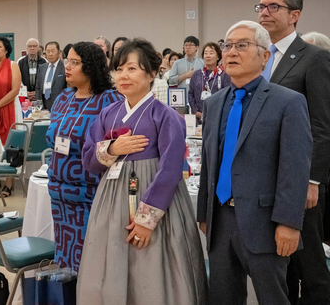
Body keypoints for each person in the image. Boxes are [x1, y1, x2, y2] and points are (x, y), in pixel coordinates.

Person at [78, 38, 207, 304]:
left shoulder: (166, 115)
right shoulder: (106, 114)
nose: (123, 76)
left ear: (151, 73)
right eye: (119, 69)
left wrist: (147, 221)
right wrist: (113, 149)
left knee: (151, 269)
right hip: (112, 201)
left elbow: (170, 170)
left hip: (155, 205)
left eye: (132, 69)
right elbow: (89, 161)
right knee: (109, 262)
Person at [197, 20, 313, 305]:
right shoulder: (214, 103)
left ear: (265, 56)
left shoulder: (288, 102)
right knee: (223, 297)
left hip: (266, 223)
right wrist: (204, 212)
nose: (231, 52)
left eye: (242, 45)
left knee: (272, 298)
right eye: (228, 45)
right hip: (220, 222)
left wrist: (289, 223)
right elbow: (210, 164)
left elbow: (295, 167)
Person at [256, 0, 330, 304]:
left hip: (301, 178)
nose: (264, 13)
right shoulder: (258, 58)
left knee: (310, 263)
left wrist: (313, 179)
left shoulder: (313, 58)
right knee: (280, 263)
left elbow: (323, 125)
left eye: (274, 7)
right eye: (260, 7)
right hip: (265, 178)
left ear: (294, 14)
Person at [45, 41, 123, 272]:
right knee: (66, 259)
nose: (67, 67)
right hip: (60, 194)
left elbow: (113, 149)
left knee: (93, 263)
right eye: (67, 61)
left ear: (90, 67)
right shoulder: (63, 98)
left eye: (75, 63)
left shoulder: (109, 101)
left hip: (91, 195)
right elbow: (52, 136)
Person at [188, 42, 230, 123]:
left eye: (211, 53)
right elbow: (190, 94)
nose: (207, 55)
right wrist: (196, 112)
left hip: (218, 117)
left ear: (218, 57)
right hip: (199, 118)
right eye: (205, 53)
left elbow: (228, 95)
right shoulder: (196, 74)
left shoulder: (224, 75)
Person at [168, 36, 204, 101]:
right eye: (186, 45)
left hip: (198, 98)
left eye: (190, 45)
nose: (187, 47)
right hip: (181, 97)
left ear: (197, 47)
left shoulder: (202, 63)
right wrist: (186, 75)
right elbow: (170, 80)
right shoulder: (177, 63)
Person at [35, 41, 66, 111]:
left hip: (60, 104)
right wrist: (39, 104)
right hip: (43, 103)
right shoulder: (41, 68)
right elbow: (38, 88)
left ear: (58, 52)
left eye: (53, 51)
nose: (50, 54)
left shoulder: (64, 68)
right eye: (48, 51)